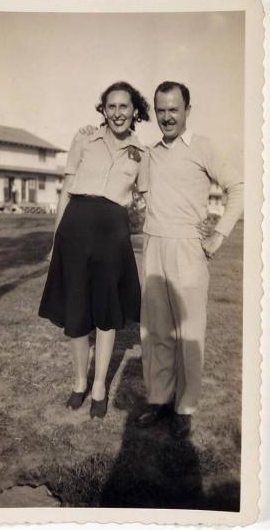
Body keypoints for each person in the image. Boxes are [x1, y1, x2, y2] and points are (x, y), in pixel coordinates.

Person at [135, 81, 244, 438]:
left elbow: (239, 188)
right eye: (161, 110)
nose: (167, 117)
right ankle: (159, 400)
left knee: (190, 333)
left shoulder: (204, 147)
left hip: (188, 250)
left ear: (187, 110)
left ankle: (185, 409)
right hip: (154, 246)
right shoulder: (149, 154)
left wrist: (219, 234)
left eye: (174, 109)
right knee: (155, 331)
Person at [39, 81, 150, 419]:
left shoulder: (141, 153)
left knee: (105, 310)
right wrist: (56, 239)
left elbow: (146, 196)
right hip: (76, 228)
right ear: (104, 109)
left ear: (135, 111)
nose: (117, 113)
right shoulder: (84, 138)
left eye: (124, 106)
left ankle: (99, 384)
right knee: (76, 309)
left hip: (113, 233)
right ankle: (78, 381)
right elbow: (65, 193)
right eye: (111, 106)